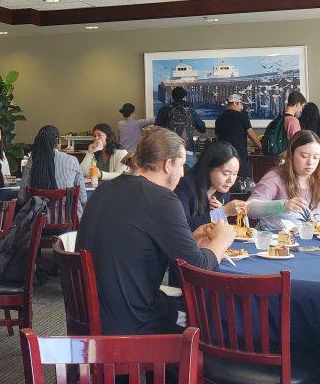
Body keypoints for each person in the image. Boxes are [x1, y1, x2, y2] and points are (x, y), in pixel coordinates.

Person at [76, 127, 234, 334]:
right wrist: (221, 242)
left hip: (93, 316)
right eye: (181, 165)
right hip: (132, 326)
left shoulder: (105, 189)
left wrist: (190, 239)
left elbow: (133, 243)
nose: (183, 173)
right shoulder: (161, 199)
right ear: (168, 165)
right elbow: (198, 269)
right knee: (208, 321)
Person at [247, 130, 320, 230]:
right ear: (291, 154)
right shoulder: (275, 178)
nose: (310, 162)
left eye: (316, 157)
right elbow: (249, 208)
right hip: (275, 242)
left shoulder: (319, 181)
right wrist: (283, 206)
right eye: (304, 156)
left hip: (313, 244)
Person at [173, 141, 249, 230]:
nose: (230, 180)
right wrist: (223, 212)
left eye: (235, 174)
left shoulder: (224, 191)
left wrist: (222, 212)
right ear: (208, 168)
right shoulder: (185, 186)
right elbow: (184, 227)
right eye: (225, 174)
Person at [21, 124, 88, 213]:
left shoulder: (32, 161)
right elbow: (83, 198)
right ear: (58, 141)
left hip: (38, 222)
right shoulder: (72, 160)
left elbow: (21, 198)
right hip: (68, 221)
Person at [154, 86, 206, 167]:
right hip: (187, 149)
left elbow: (156, 128)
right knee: (190, 176)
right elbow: (202, 128)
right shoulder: (190, 111)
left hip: (169, 149)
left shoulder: (164, 110)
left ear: (172, 96)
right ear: (185, 97)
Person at [214, 94, 261, 177]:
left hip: (224, 157)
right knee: (244, 183)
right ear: (235, 103)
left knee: (227, 182)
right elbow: (251, 134)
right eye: (241, 104)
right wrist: (262, 147)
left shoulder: (219, 118)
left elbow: (217, 137)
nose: (242, 108)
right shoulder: (242, 117)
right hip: (240, 158)